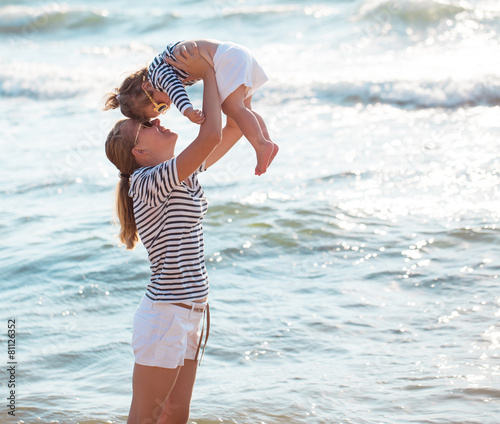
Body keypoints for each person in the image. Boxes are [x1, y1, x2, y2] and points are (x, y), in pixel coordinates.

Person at [105, 45, 242, 424]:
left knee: (176, 412)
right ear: (140, 151)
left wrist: (237, 85)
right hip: (166, 312)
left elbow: (229, 130)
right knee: (147, 412)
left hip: (192, 309)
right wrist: (208, 72)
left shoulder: (179, 175)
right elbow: (210, 135)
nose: (159, 121)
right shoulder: (146, 180)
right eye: (148, 125)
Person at [104, 39, 278, 176]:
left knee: (235, 108)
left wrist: (188, 110)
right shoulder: (157, 179)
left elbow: (176, 90)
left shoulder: (159, 75)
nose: (158, 119)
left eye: (160, 107)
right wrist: (206, 72)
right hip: (234, 54)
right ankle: (266, 143)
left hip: (227, 58)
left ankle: (263, 145)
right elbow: (229, 128)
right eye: (163, 108)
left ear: (147, 87)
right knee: (242, 109)